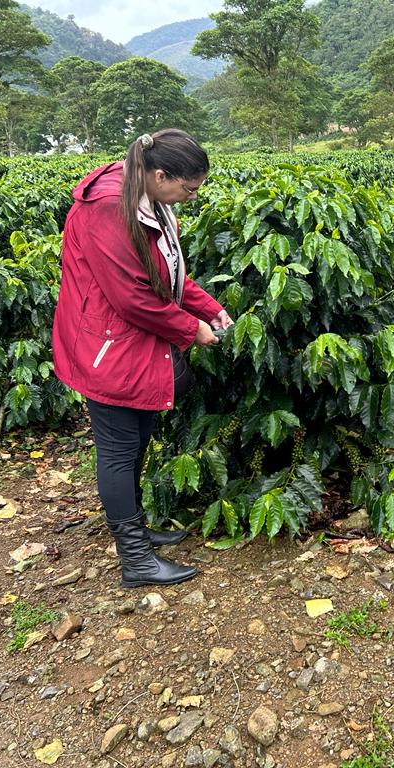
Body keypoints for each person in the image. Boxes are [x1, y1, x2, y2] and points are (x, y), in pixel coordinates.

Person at [52, 129, 233, 588]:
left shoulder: (150, 199)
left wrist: (208, 306)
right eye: (188, 188)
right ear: (159, 174)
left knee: (138, 438)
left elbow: (166, 273)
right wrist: (191, 330)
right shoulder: (109, 209)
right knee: (117, 449)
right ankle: (135, 558)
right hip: (106, 345)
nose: (191, 196)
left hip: (133, 342)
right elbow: (133, 296)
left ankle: (137, 532)